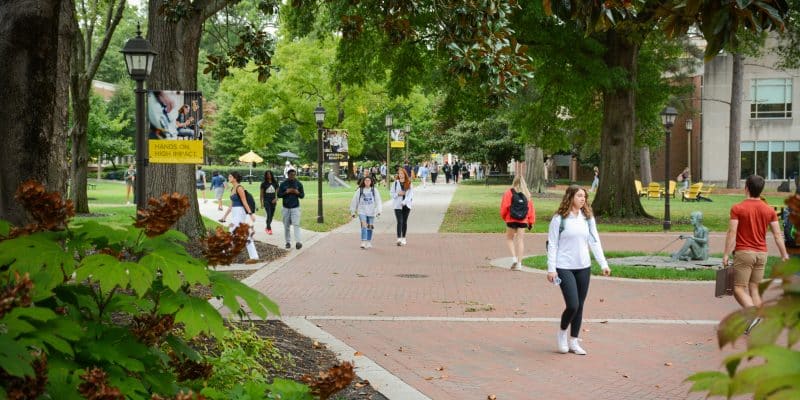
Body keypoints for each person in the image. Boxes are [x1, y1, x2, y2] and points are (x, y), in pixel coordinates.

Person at [546, 185, 611, 355]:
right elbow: (552, 244)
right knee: (572, 305)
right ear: (570, 197)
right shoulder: (559, 219)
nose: (583, 199)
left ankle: (574, 341)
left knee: (580, 305)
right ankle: (562, 333)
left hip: (583, 266)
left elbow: (595, 242)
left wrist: (603, 264)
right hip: (564, 266)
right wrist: (551, 269)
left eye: (584, 196)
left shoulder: (587, 218)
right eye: (579, 196)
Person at [722, 175, 790, 334]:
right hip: (762, 254)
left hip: (744, 253)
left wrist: (725, 254)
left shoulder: (737, 208)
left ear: (746, 187)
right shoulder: (769, 210)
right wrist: (784, 255)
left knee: (738, 288)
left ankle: (754, 314)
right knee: (754, 288)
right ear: (761, 189)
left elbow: (732, 232)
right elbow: (778, 235)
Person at [218, 171, 259, 264]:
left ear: (235, 178)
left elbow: (244, 202)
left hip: (240, 212)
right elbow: (231, 205)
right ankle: (254, 257)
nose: (229, 178)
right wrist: (224, 216)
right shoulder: (232, 188)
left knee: (231, 232)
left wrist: (250, 214)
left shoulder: (239, 188)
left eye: (230, 176)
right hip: (235, 212)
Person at [500, 175, 536, 270]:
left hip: (511, 219)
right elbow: (531, 210)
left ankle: (513, 258)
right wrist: (531, 221)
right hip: (523, 220)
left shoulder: (509, 193)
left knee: (509, 239)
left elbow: (504, 207)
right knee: (520, 240)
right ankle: (519, 264)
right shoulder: (527, 194)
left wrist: (504, 217)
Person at [350, 176, 383, 249]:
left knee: (370, 227)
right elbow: (354, 200)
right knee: (364, 226)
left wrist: (379, 211)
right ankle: (363, 241)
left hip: (371, 212)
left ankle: (368, 241)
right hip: (362, 211)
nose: (367, 182)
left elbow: (378, 201)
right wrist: (353, 211)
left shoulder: (374, 190)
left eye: (369, 180)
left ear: (371, 182)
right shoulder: (360, 190)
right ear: (364, 182)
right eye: (366, 181)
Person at [278, 169, 305, 249]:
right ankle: (288, 242)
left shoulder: (299, 184)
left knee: (296, 224)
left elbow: (302, 196)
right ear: (288, 175)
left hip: (295, 207)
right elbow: (279, 195)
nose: (292, 176)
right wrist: (286, 192)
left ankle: (298, 242)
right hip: (285, 207)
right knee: (286, 226)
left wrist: (297, 193)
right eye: (291, 175)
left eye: (294, 175)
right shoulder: (283, 184)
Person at [390, 167, 414, 246]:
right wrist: (398, 194)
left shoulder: (409, 183)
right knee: (399, 221)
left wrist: (405, 201)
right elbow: (391, 194)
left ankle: (404, 238)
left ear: (405, 174)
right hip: (397, 205)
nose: (400, 175)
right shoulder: (395, 183)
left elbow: (410, 195)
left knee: (404, 222)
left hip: (406, 205)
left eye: (402, 174)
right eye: (399, 174)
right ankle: (399, 238)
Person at [259, 170, 279, 235]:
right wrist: (261, 203)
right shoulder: (263, 184)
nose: (269, 175)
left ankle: (267, 227)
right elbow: (261, 194)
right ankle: (269, 228)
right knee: (269, 214)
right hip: (266, 200)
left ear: (271, 175)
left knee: (272, 215)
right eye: (267, 174)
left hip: (273, 201)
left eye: (270, 174)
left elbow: (277, 193)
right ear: (266, 175)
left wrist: (276, 199)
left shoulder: (275, 183)